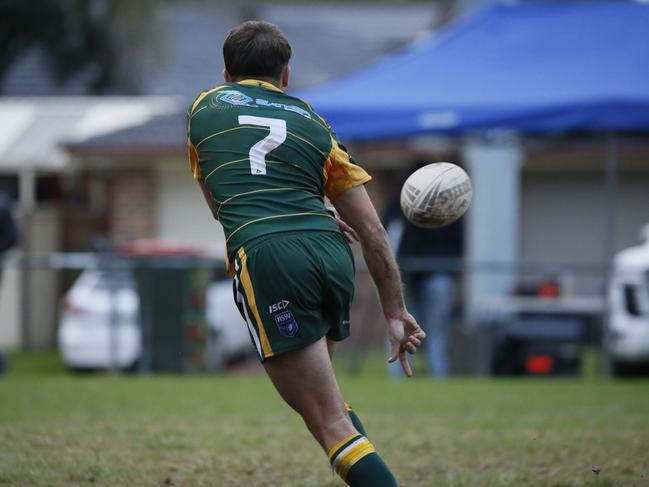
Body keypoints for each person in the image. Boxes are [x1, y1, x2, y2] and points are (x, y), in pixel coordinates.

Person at [187, 21, 425, 486]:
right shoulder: (313, 122)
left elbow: (223, 206)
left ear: (225, 73)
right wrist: (395, 309)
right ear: (286, 75)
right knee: (330, 403)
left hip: (269, 254)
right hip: (331, 252)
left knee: (329, 423)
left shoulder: (205, 106)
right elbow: (372, 230)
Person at [384, 191, 464, 378]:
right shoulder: (402, 204)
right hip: (409, 274)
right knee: (403, 328)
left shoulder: (447, 207)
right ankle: (400, 376)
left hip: (436, 273)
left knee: (435, 330)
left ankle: (437, 375)